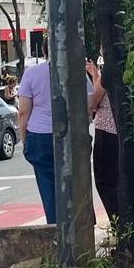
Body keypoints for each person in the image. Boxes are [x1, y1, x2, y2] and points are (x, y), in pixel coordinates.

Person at [17, 43, 92, 224]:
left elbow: (23, 112)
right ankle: (80, 228)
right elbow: (88, 105)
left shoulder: (31, 74)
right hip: (71, 135)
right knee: (75, 182)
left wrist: (24, 138)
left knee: (47, 185)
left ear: (44, 52)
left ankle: (56, 227)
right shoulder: (76, 72)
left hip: (39, 136)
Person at [86, 58, 119, 222]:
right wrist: (94, 75)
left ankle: (117, 224)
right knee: (118, 178)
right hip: (121, 131)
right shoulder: (126, 67)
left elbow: (93, 101)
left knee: (104, 181)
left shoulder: (109, 72)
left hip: (106, 130)